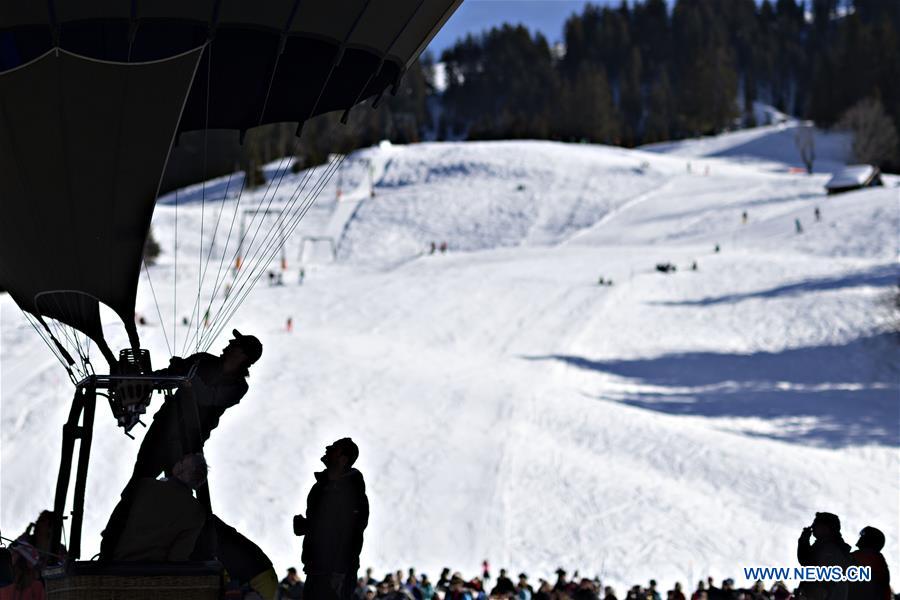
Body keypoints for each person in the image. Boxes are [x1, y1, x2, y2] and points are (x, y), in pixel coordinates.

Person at [294, 438, 369, 600]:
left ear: (343, 459)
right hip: (316, 567)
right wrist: (306, 526)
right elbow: (326, 525)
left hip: (336, 572)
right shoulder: (320, 488)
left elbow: (352, 532)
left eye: (334, 448)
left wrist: (339, 571)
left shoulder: (353, 492)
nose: (328, 448)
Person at [103, 453, 207, 561]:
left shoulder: (144, 486)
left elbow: (115, 526)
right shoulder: (197, 513)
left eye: (181, 461)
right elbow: (177, 557)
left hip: (119, 565)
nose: (178, 462)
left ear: (181, 470)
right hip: (154, 572)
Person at [797, 512, 852, 600]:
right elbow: (805, 560)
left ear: (826, 528)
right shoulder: (824, 546)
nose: (812, 527)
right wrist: (804, 540)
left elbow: (821, 587)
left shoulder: (830, 550)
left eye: (815, 524)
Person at [849, 527, 891, 600]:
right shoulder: (878, 560)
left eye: (863, 537)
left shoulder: (866, 556)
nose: (860, 538)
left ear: (868, 540)